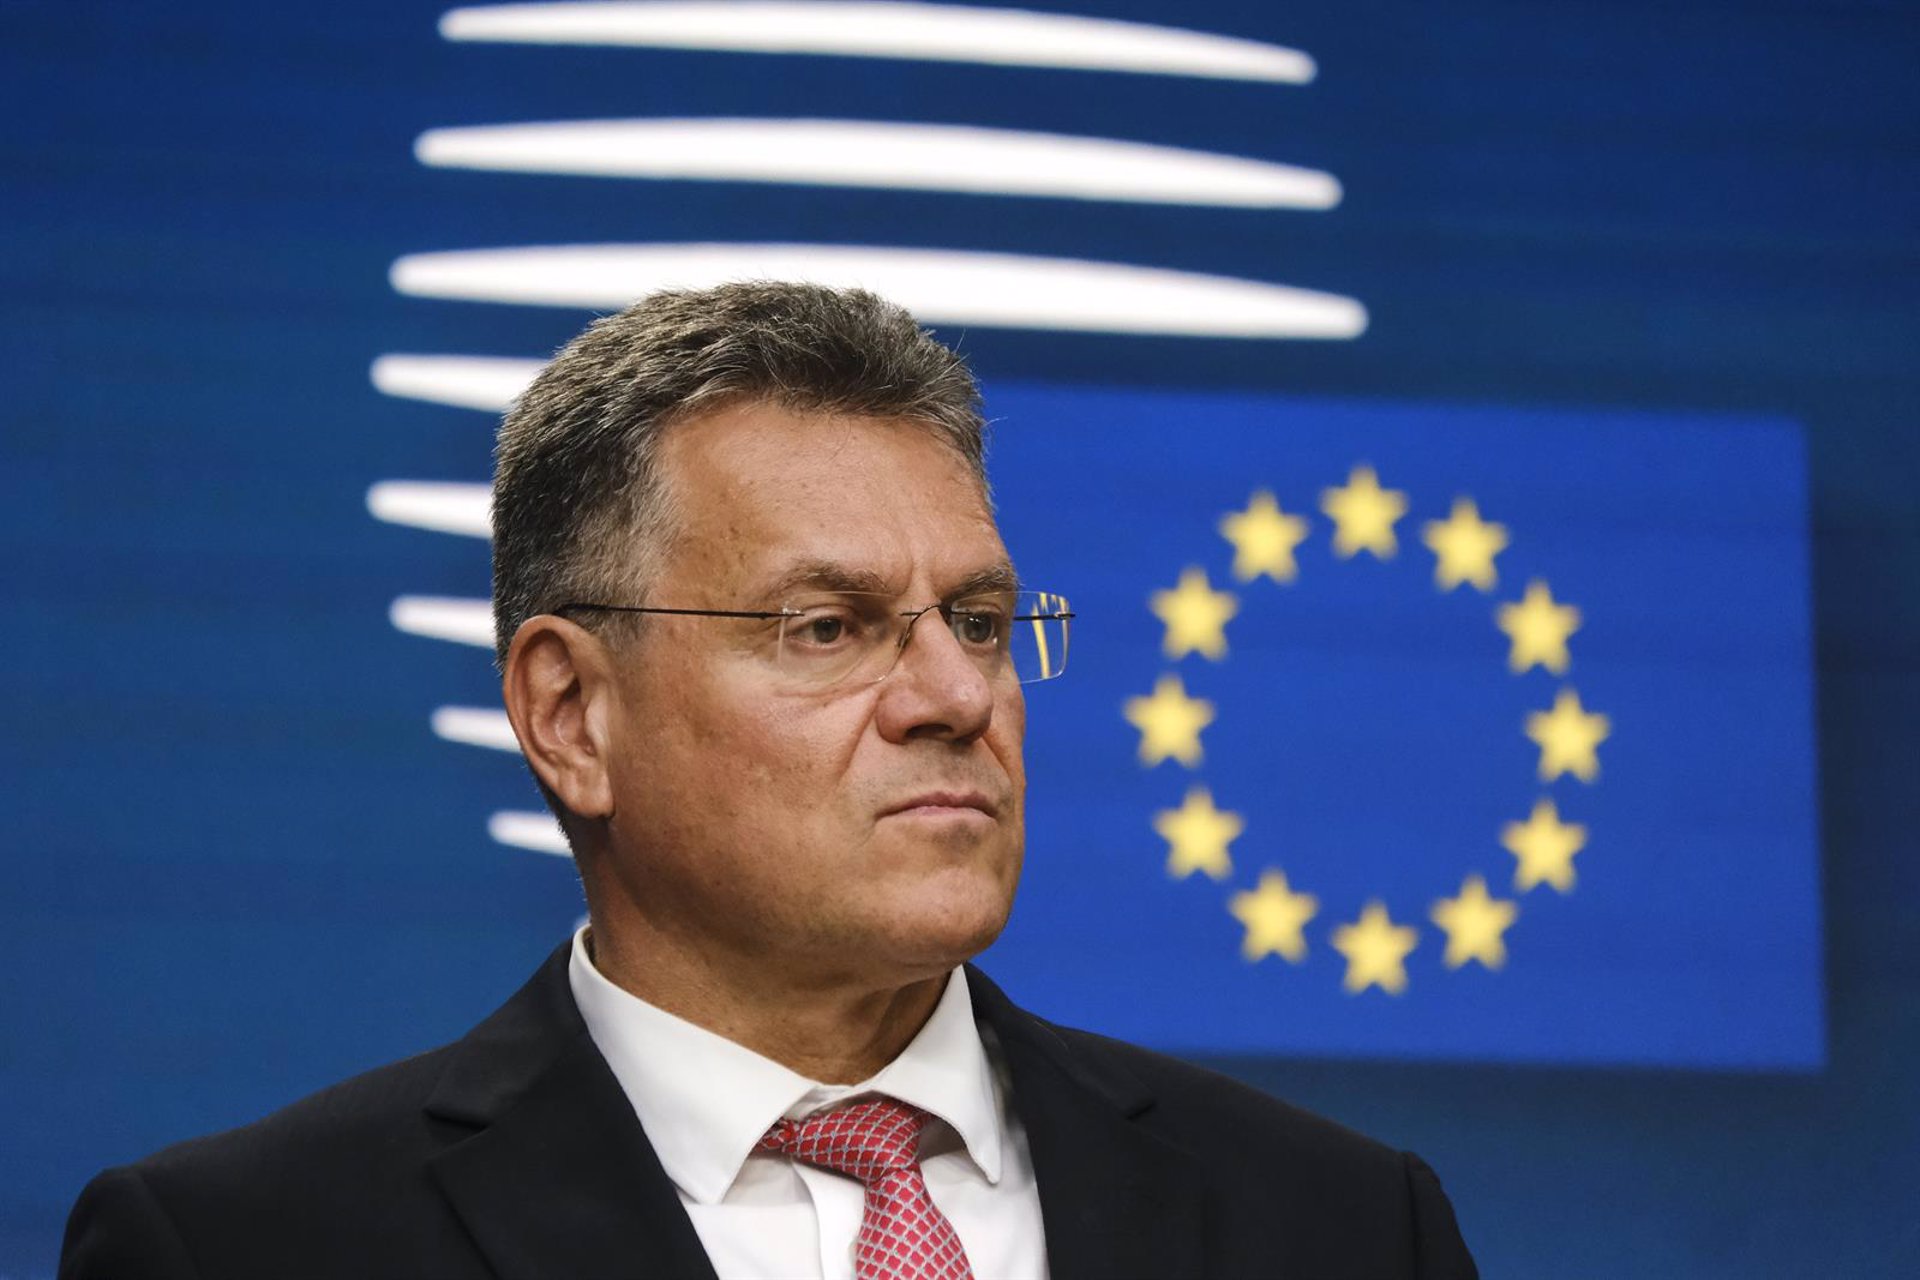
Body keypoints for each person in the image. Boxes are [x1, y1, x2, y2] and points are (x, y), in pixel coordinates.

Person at [60, 283, 1477, 1279]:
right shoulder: (248, 1246)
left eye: (980, 620)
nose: (956, 697)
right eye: (827, 629)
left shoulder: (1347, 1228)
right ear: (571, 714)